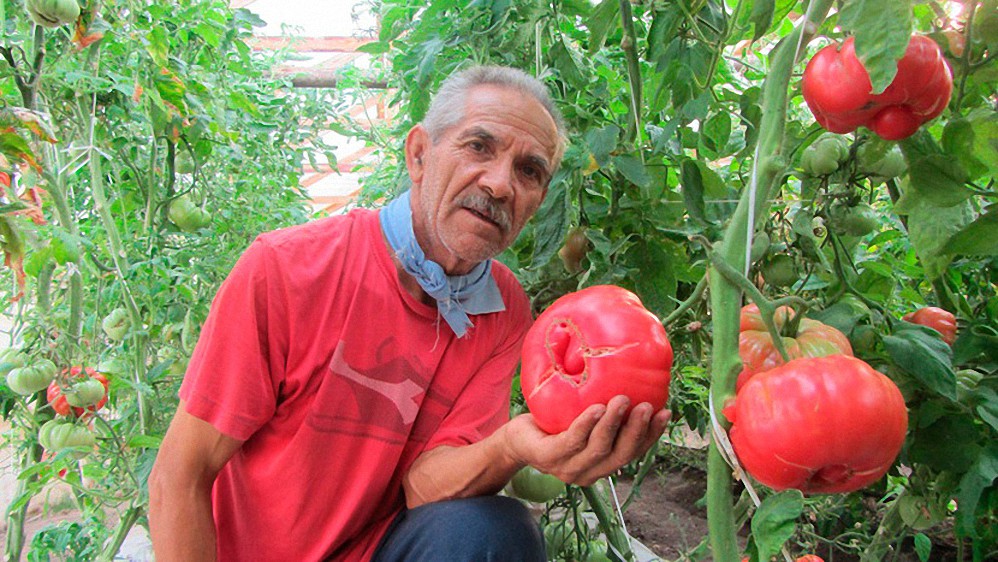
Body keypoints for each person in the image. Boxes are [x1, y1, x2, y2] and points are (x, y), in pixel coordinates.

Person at [147, 64, 671, 562]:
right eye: (478, 146)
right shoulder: (287, 270)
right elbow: (181, 475)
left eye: (529, 170)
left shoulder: (505, 310)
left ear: (537, 201)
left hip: (379, 549)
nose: (499, 184)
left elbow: (425, 486)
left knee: (493, 532)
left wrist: (514, 444)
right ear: (419, 155)